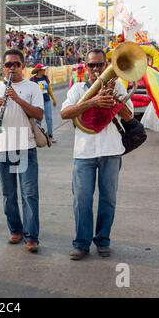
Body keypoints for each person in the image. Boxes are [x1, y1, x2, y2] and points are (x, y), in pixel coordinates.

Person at [60, 48, 134, 261]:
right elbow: (65, 113)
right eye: (91, 65)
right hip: (83, 153)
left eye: (100, 64)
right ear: (85, 66)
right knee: (82, 200)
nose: (95, 69)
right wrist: (92, 102)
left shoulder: (118, 85)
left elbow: (129, 117)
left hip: (111, 151)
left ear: (106, 66)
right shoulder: (77, 89)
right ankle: (81, 243)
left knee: (108, 199)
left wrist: (115, 102)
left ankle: (103, 240)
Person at [0, 49, 44, 253]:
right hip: (3, 148)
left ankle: (32, 236)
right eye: (8, 64)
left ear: (23, 66)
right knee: (8, 194)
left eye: (16, 64)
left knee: (29, 194)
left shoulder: (32, 87)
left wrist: (17, 99)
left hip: (26, 147)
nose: (12, 68)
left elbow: (39, 114)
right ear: (2, 67)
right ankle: (16, 229)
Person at [30, 63, 58, 142]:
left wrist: (54, 99)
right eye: (43, 69)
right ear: (39, 71)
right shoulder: (32, 80)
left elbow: (49, 90)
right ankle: (38, 136)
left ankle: (50, 136)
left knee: (49, 119)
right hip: (37, 103)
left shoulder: (45, 77)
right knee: (38, 120)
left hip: (47, 101)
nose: (45, 70)